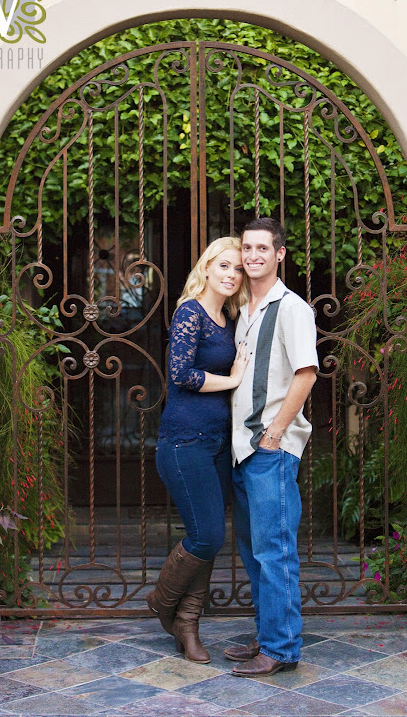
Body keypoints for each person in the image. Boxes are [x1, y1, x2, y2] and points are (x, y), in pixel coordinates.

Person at [147, 236, 250, 663]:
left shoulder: (229, 317)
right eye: (223, 265)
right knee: (207, 535)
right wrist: (232, 380)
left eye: (237, 269)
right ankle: (161, 600)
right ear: (206, 267)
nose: (231, 274)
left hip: (215, 443)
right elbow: (181, 375)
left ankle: (188, 626)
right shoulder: (190, 312)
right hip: (182, 440)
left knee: (205, 536)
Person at [224, 217, 318, 677]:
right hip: (245, 449)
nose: (253, 255)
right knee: (254, 551)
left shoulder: (291, 308)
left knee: (274, 550)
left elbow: (306, 372)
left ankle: (281, 648)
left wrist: (276, 432)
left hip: (270, 449)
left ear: (280, 254)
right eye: (247, 248)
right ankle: (269, 637)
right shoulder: (246, 311)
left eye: (263, 248)